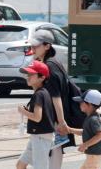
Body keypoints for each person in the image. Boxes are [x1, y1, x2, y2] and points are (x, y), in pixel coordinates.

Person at [30, 29, 76, 169]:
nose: (33, 49)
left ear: (47, 46)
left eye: (36, 46)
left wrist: (61, 122)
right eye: (31, 46)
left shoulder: (50, 66)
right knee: (54, 148)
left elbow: (56, 97)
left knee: (55, 148)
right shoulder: (53, 63)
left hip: (54, 118)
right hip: (54, 116)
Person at [17, 60, 55, 169]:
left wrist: (23, 111)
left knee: (40, 167)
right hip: (37, 136)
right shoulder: (43, 92)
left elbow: (37, 117)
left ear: (42, 77)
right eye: (27, 74)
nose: (28, 77)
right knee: (20, 164)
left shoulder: (39, 94)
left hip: (41, 137)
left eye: (31, 74)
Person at [67, 90, 101, 169]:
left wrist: (85, 145)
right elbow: (85, 132)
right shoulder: (90, 118)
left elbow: (99, 135)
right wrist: (69, 130)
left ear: (90, 104)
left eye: (82, 102)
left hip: (94, 155)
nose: (80, 104)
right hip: (92, 154)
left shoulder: (93, 119)